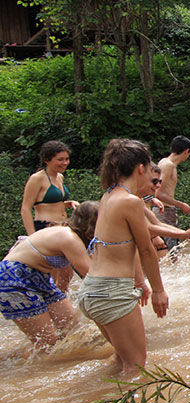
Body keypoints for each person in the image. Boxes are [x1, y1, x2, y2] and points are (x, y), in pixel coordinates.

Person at [78, 139, 169, 374]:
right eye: (150, 169)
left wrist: (140, 282)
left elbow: (122, 244)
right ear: (140, 168)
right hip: (112, 292)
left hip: (92, 290)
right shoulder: (131, 202)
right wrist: (158, 289)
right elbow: (146, 249)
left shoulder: (108, 196)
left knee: (121, 359)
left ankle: (102, 400)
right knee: (136, 367)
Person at [1, 201, 97, 356]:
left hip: (39, 278)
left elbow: (67, 274)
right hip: (12, 279)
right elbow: (91, 275)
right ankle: (13, 362)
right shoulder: (68, 237)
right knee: (47, 346)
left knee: (74, 330)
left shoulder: (66, 234)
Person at [20, 141, 80, 292]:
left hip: (63, 227)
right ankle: (50, 306)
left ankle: (61, 308)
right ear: (47, 160)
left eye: (66, 159)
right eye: (60, 159)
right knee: (51, 275)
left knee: (67, 274)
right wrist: (32, 237)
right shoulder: (37, 178)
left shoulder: (59, 177)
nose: (65, 163)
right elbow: (26, 208)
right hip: (45, 227)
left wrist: (68, 203)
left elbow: (53, 202)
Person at [144, 164, 190, 259]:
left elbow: (156, 223)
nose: (158, 185)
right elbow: (148, 227)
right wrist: (184, 234)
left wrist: (187, 234)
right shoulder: (130, 200)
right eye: (154, 181)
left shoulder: (139, 200)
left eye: (160, 181)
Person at [154, 136, 190, 251]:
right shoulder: (168, 165)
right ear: (187, 151)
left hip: (166, 212)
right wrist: (181, 204)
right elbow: (158, 193)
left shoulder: (164, 162)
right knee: (169, 252)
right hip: (164, 213)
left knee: (172, 251)